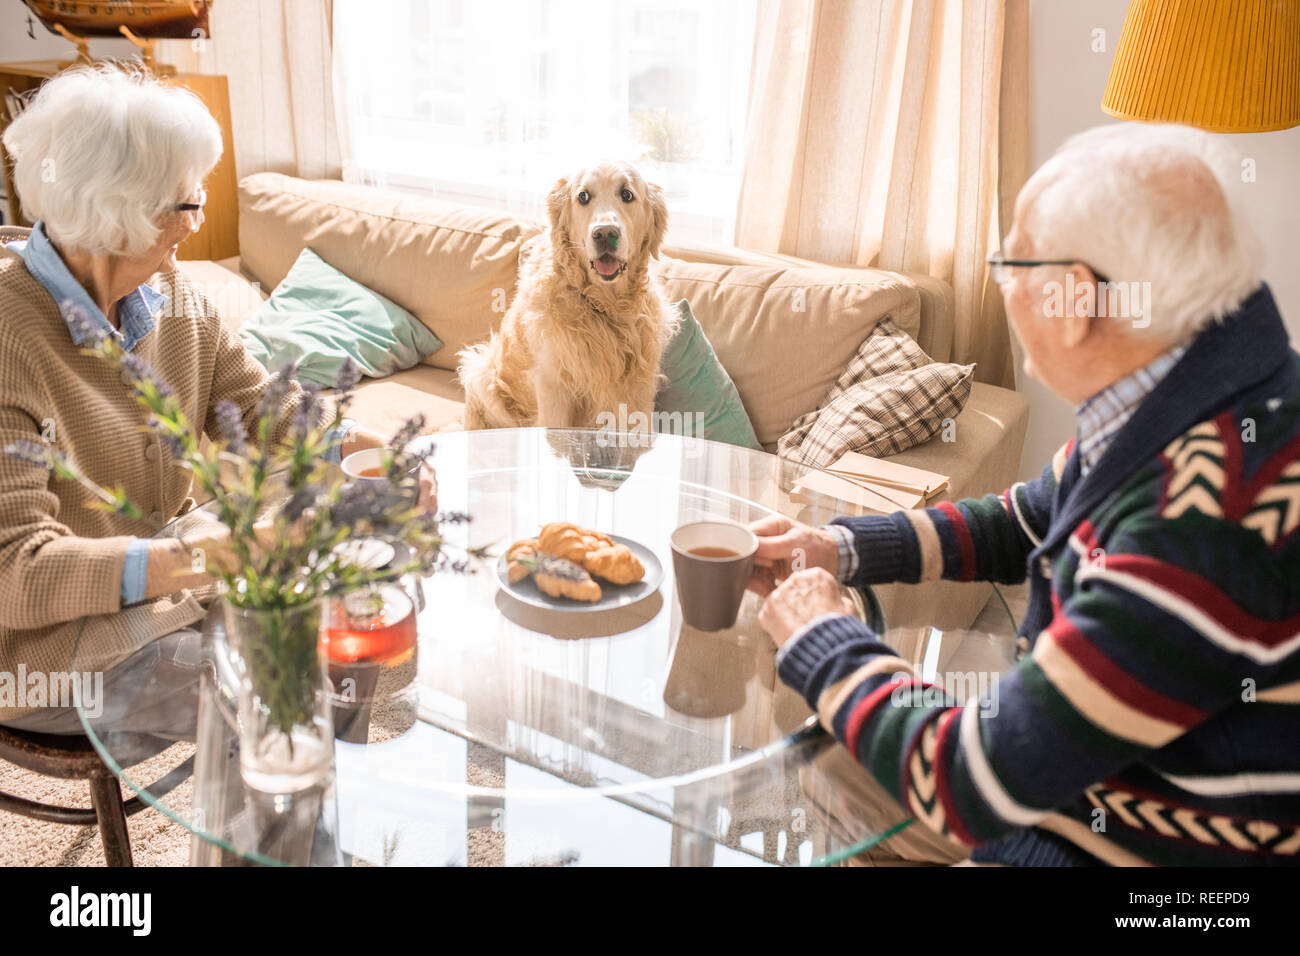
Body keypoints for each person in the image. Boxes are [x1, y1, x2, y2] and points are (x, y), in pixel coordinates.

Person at [752, 122, 1300, 866]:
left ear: (1076, 300)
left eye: (1012, 263)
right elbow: (1032, 514)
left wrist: (821, 635)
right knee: (834, 771)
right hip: (1097, 782)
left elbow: (971, 778)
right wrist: (841, 549)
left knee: (840, 753)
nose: (1004, 285)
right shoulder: (1195, 384)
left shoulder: (1194, 524)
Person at [0, 65, 435, 735]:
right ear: (119, 213)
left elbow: (263, 408)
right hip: (48, 652)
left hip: (167, 580)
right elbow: (16, 575)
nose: (197, 218)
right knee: (282, 673)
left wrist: (374, 452)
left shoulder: (169, 295)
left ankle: (305, 799)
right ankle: (276, 826)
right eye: (185, 202)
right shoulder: (11, 340)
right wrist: (232, 551)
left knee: (340, 601)